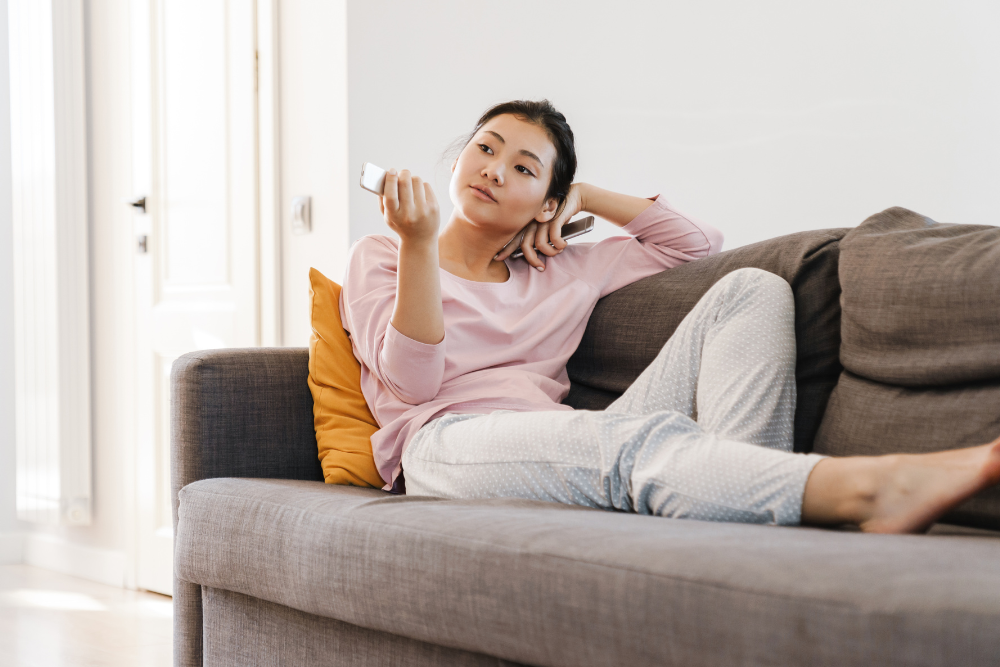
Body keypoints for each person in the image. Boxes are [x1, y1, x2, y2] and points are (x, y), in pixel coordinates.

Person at [340, 99, 1000, 534]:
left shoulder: (566, 266)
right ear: (458, 160)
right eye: (485, 148)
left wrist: (592, 196)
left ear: (548, 202)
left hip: (559, 436)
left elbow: (696, 245)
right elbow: (413, 384)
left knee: (755, 288)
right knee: (636, 442)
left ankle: (734, 503)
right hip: (447, 443)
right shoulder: (386, 253)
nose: (493, 169)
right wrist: (417, 243)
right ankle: (864, 489)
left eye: (523, 167)